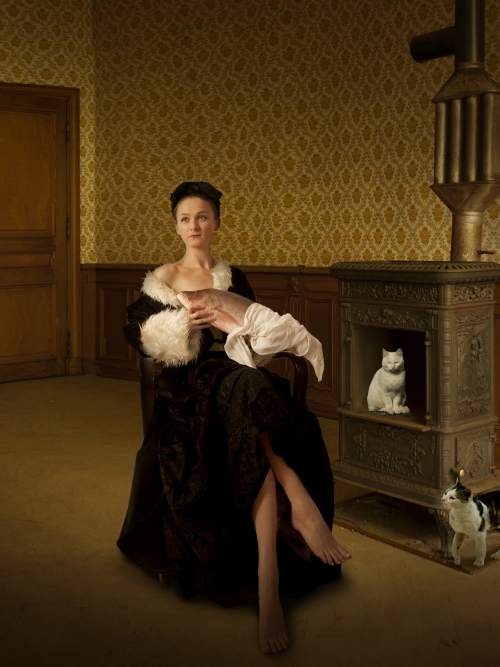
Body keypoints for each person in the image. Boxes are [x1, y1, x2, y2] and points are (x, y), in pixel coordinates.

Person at [117, 181, 351, 654]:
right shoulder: (161, 281)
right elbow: (141, 340)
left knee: (248, 391)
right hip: (190, 388)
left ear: (217, 223)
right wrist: (181, 325)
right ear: (176, 226)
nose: (194, 226)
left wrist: (246, 332)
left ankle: (269, 576)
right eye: (185, 219)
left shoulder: (233, 277)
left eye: (202, 217)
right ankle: (296, 504)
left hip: (239, 377)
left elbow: (255, 339)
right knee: (247, 393)